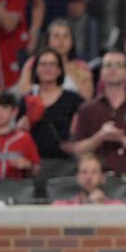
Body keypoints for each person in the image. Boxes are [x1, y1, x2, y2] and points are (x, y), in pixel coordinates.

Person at [73, 51, 126, 202]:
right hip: (96, 182)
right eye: (108, 65)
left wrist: (124, 139)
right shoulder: (87, 109)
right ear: (101, 73)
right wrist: (100, 137)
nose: (112, 69)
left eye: (118, 65)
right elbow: (78, 149)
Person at [16, 49, 83, 180]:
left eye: (52, 64)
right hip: (34, 165)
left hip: (65, 165)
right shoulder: (27, 100)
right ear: (36, 69)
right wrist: (21, 128)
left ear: (59, 70)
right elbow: (18, 135)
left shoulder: (73, 100)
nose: (48, 68)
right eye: (43, 64)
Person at [18, 19, 93, 101]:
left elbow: (86, 99)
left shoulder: (81, 67)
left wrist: (69, 69)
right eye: (56, 36)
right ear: (48, 39)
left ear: (72, 40)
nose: (61, 41)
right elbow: (24, 94)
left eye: (66, 36)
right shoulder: (33, 63)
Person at [53, 154, 125, 205]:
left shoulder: (117, 206)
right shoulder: (62, 206)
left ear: (102, 177)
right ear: (78, 177)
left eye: (94, 172)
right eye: (84, 172)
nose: (88, 177)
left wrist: (102, 207)